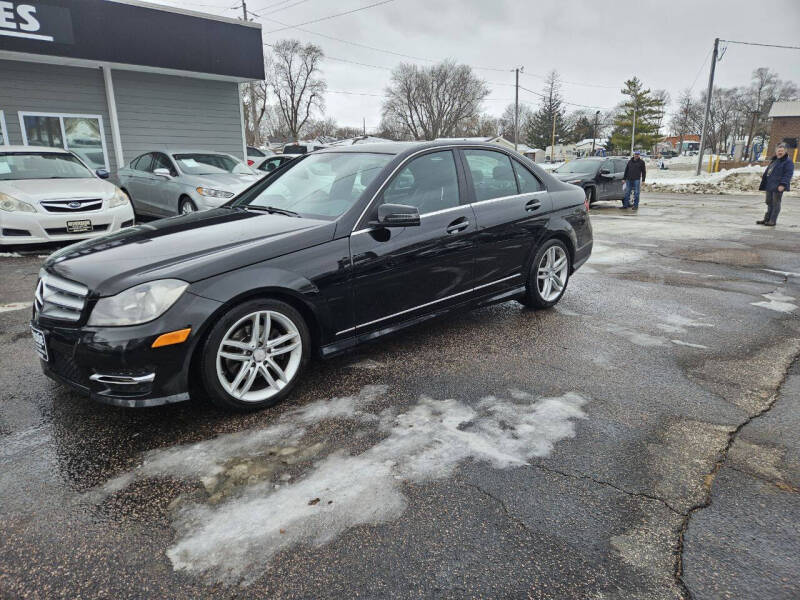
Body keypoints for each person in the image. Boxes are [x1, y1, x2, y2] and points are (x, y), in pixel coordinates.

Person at [757, 143, 794, 226]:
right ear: (776, 151)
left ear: (785, 151)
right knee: (769, 202)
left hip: (778, 186)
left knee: (776, 203)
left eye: (782, 151)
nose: (780, 152)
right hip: (770, 185)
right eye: (778, 150)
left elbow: (788, 174)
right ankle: (767, 219)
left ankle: (772, 220)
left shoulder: (788, 162)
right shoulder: (775, 160)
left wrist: (783, 184)